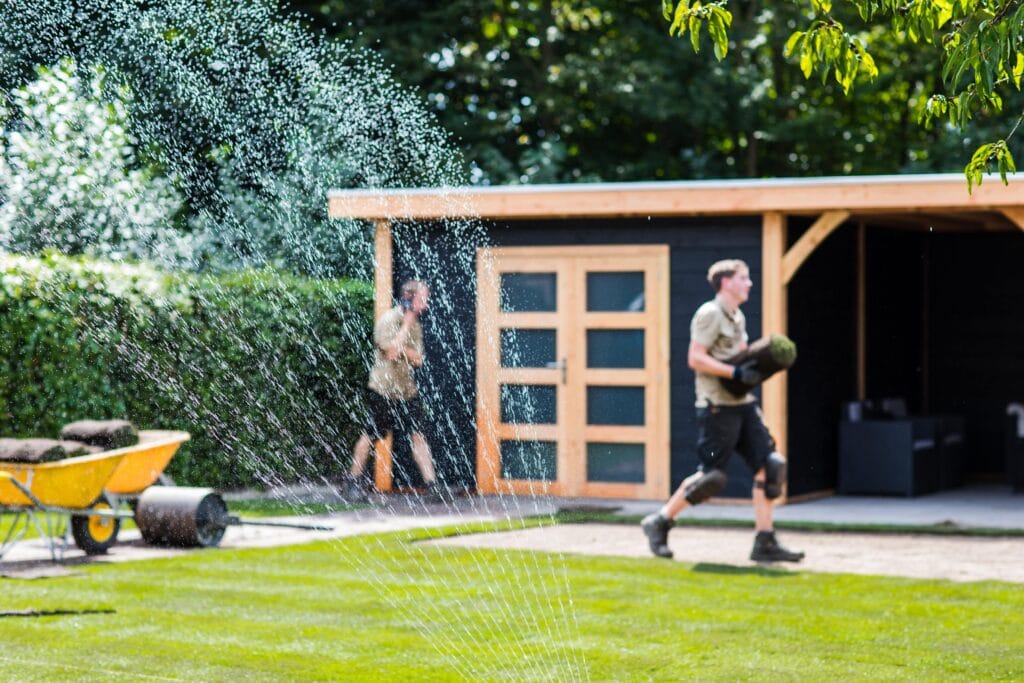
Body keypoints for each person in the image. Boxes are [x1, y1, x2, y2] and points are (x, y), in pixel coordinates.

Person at [641, 259, 804, 562]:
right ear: (726, 282)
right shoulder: (709, 314)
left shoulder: (736, 316)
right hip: (716, 406)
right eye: (744, 278)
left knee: (770, 466)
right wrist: (735, 374)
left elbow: (739, 355)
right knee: (711, 478)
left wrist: (761, 362)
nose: (749, 283)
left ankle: (764, 542)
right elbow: (695, 358)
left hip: (743, 404)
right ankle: (660, 521)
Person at [340, 280, 443, 504]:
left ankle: (432, 486)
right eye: (422, 299)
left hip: (406, 389)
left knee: (419, 435)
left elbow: (418, 360)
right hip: (384, 389)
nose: (426, 304)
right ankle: (352, 482)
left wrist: (404, 343)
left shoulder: (416, 325)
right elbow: (391, 353)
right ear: (408, 298)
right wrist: (405, 327)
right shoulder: (388, 321)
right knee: (371, 435)